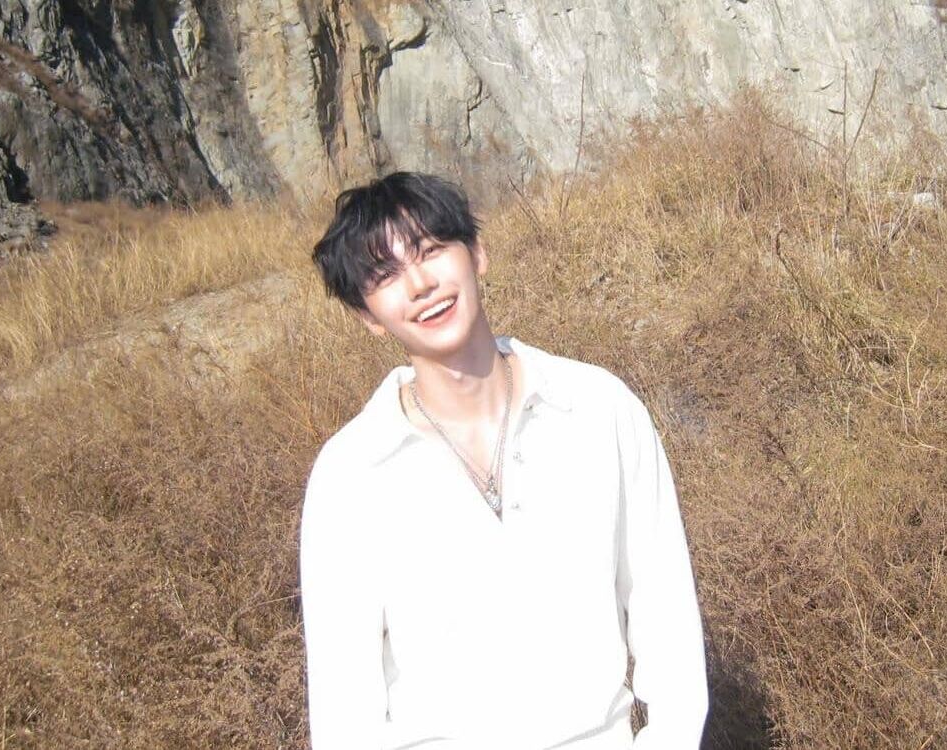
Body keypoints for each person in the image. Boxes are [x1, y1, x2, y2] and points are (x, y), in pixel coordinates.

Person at [300, 172, 708, 749]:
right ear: (366, 314)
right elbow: (345, 711)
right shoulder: (351, 474)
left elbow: (665, 614)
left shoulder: (597, 408)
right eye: (385, 275)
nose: (420, 284)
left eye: (431, 250)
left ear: (478, 253)